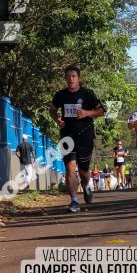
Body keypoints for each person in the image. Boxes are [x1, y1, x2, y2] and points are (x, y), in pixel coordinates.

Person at [49, 66, 105, 212]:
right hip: (67, 136)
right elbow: (52, 109)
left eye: (73, 76)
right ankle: (74, 201)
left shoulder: (87, 94)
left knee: (83, 171)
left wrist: (86, 113)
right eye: (68, 76)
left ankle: (86, 185)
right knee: (69, 168)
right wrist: (57, 120)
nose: (71, 79)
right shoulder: (60, 95)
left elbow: (101, 111)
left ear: (78, 78)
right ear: (65, 79)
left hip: (85, 136)